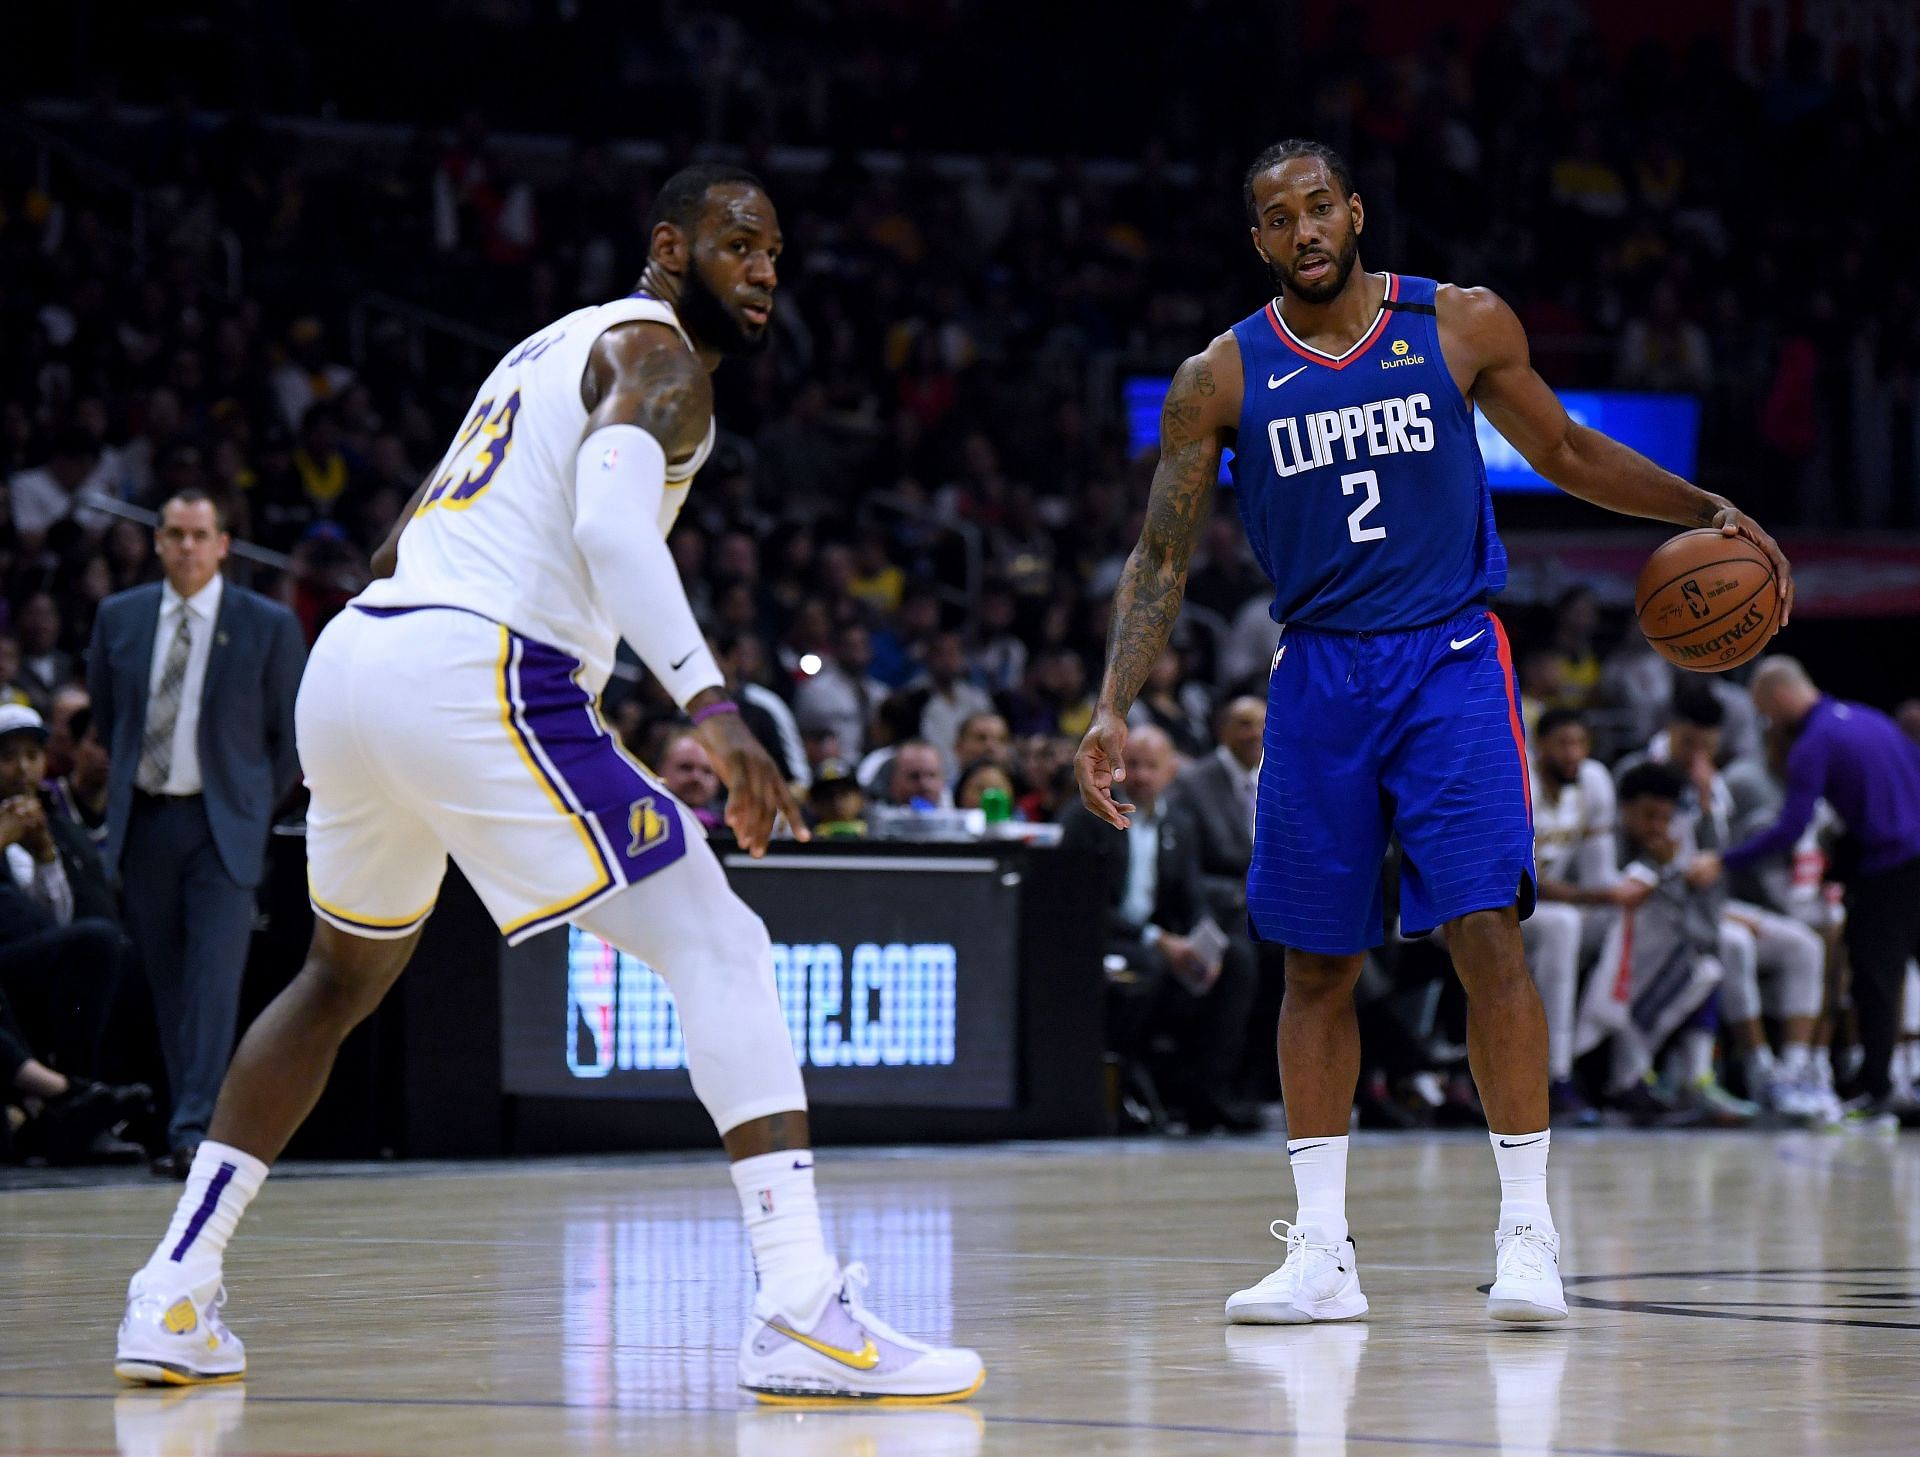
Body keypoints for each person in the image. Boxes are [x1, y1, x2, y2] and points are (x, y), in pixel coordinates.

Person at [111, 165, 981, 1404]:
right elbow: (615, 538)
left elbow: (390, 542)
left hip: (357, 659)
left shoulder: (540, 349)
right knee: (724, 942)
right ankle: (798, 1305)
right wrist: (719, 715)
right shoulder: (661, 355)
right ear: (670, 246)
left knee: (336, 976)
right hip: (475, 667)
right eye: (741, 244)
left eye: (778, 251)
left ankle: (173, 1290)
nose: (766, 269)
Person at [1074, 138, 1792, 1327]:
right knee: (1314, 964)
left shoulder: (1457, 323)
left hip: (1450, 658)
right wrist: (1111, 703)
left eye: (1319, 206)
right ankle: (1321, 1251)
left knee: (1484, 933)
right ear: (1257, 241)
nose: (1303, 230)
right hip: (1317, 677)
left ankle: (1527, 1229)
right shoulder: (1223, 376)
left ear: (1355, 212)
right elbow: (1160, 556)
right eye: (1277, 217)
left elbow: (1563, 452)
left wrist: (1700, 504)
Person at [88, 488, 307, 1178]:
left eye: (199, 534)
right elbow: (106, 708)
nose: (186, 546)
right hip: (148, 819)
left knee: (213, 983)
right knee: (170, 982)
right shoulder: (118, 618)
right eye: (174, 534)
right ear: (157, 541)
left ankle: (194, 1130)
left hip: (222, 829)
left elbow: (293, 737)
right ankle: (191, 1119)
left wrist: (251, 805)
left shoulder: (265, 624)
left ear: (222, 545)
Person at [1616, 686, 1829, 1118]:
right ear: (1670, 730)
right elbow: (1628, 860)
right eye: (1688, 742)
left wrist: (1710, 803)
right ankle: (1728, 1070)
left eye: (1706, 745)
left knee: (1804, 945)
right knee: (1731, 946)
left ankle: (1789, 1070)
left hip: (1710, 906)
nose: (1697, 753)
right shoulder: (1635, 771)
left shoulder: (1715, 784)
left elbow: (1718, 862)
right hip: (1649, 908)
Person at [1728, 658, 1920, 1115]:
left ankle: (1877, 1090)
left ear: (1778, 698)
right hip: (1912, 856)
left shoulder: (1814, 742)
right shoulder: (1870, 718)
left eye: (1767, 713)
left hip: (1889, 868)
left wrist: (1726, 859)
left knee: (1875, 979)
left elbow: (1791, 827)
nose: (1770, 724)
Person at [1059, 725, 1259, 1134]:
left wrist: (1207, 944)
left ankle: (1211, 1094)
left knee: (1238, 959)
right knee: (1149, 967)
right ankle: (1129, 1088)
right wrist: (1160, 939)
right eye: (1131, 764)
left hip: (1160, 940)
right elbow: (1083, 902)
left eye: (1152, 766)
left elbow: (1192, 897)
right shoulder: (1087, 816)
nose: (1142, 775)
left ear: (1171, 771)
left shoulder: (1179, 825)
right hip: (1107, 937)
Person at [1575, 763, 1726, 1115]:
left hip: (1637, 951)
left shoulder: (1672, 846)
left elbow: (1702, 919)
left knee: (1702, 969)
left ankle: (1659, 1075)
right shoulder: (1599, 831)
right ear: (1624, 808)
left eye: (1664, 818)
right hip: (1586, 928)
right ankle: (1620, 1075)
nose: (1655, 827)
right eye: (1647, 816)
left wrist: (1666, 869)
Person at [1525, 708, 1623, 1118]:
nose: (1573, 754)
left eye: (1580, 744)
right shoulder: (1519, 780)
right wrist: (1599, 898)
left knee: (1634, 922)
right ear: (1539, 746)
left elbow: (1601, 878)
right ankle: (1555, 1074)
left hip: (1553, 906)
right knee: (1563, 926)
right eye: (1563, 744)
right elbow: (1517, 883)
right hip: (1490, 908)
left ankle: (1617, 1062)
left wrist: (1629, 890)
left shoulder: (1594, 782)